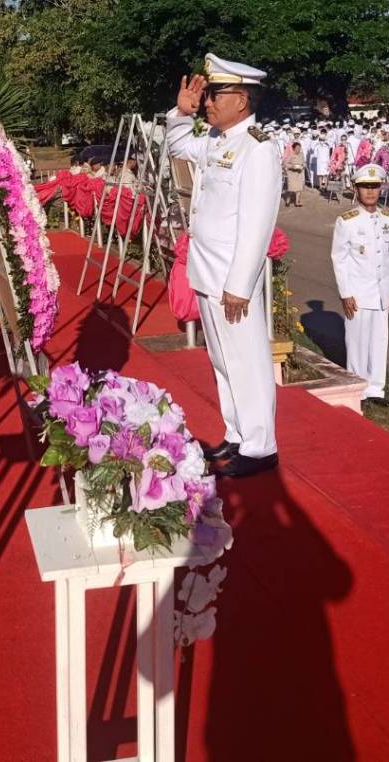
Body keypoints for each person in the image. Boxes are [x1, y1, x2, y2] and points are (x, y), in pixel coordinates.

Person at [166, 53, 282, 478]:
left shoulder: (258, 148)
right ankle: (237, 435)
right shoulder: (217, 140)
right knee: (223, 360)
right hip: (207, 271)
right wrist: (182, 111)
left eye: (216, 93)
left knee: (247, 360)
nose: (209, 101)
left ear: (244, 98)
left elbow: (257, 223)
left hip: (234, 279)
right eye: (208, 94)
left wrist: (239, 283)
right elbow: (177, 144)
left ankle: (260, 446)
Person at [331, 163, 389, 406]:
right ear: (356, 188)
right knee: (357, 341)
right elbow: (339, 258)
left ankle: (376, 389)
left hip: (382, 291)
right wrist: (346, 293)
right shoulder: (347, 221)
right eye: (365, 187)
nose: (370, 191)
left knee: (379, 340)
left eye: (375, 186)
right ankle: (357, 387)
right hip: (358, 292)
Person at [284, 141, 307, 207]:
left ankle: (297, 202)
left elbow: (304, 162)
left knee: (299, 189)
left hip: (299, 173)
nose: (298, 149)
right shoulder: (291, 155)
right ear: (294, 148)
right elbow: (285, 163)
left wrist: (303, 165)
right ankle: (287, 201)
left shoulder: (301, 154)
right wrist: (292, 166)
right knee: (291, 189)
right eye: (297, 148)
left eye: (299, 148)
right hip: (292, 174)